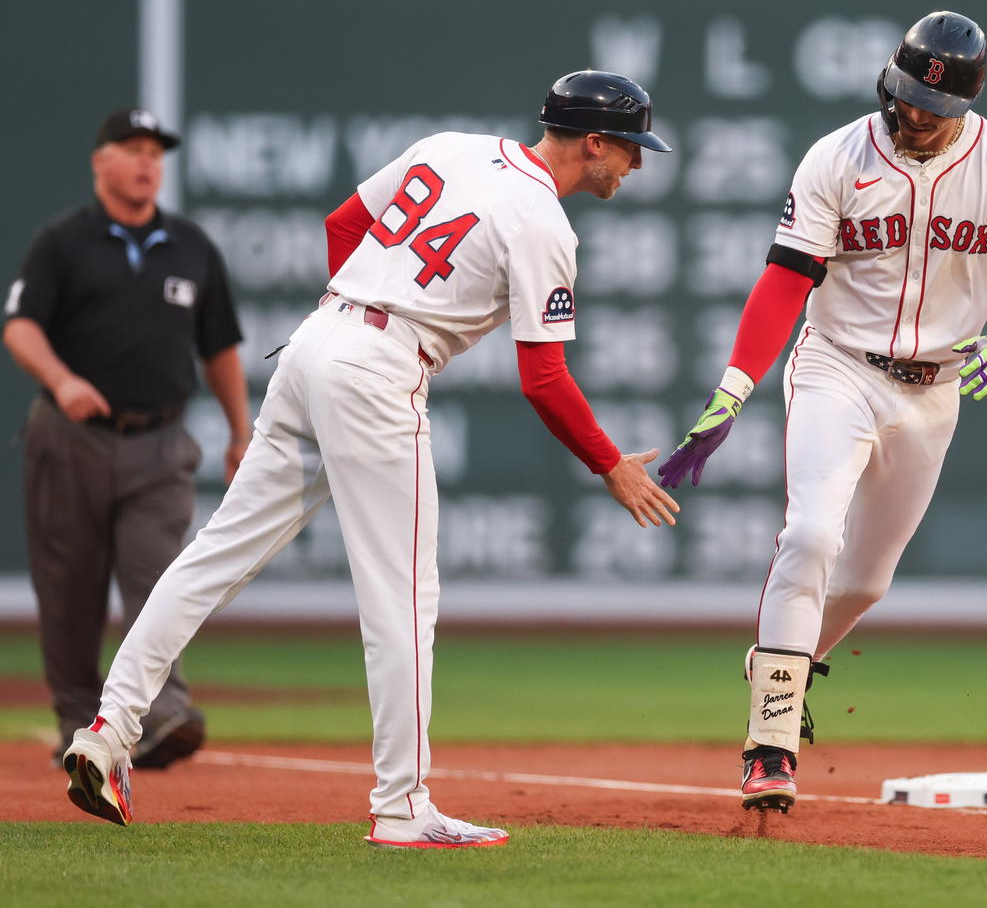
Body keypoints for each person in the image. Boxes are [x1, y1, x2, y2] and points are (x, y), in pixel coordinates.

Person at [59, 72, 681, 847]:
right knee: (403, 598)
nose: (635, 163)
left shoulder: (451, 147)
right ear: (592, 143)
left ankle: (108, 731)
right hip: (379, 366)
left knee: (213, 555)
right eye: (629, 147)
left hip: (315, 341)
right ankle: (403, 806)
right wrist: (611, 464)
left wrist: (354, 313)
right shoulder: (543, 222)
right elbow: (544, 379)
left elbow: (343, 222)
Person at [658, 12, 987, 813]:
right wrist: (732, 389)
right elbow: (785, 280)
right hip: (838, 366)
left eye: (934, 106)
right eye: (905, 97)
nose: (915, 114)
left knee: (865, 582)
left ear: (966, 104)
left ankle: (779, 662)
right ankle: (771, 742)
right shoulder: (838, 156)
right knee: (811, 535)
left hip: (934, 390)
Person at [4, 108, 252, 772]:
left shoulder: (191, 247)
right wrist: (61, 380)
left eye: (155, 152)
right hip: (72, 439)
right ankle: (76, 721)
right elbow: (20, 326)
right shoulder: (64, 242)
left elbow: (220, 348)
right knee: (70, 591)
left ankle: (159, 712)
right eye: (132, 148)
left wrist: (240, 432)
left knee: (160, 577)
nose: (147, 161)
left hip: (161, 441)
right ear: (101, 161)